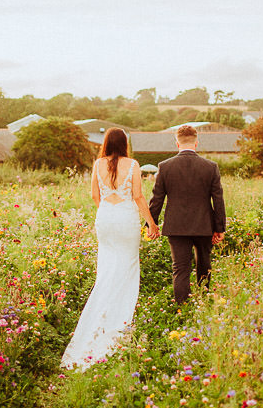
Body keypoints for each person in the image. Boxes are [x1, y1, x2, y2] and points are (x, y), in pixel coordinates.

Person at [61, 128, 159, 371]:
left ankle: (100, 311)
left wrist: (107, 210)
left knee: (106, 268)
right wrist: (151, 223)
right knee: (126, 265)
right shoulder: (134, 164)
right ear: (125, 143)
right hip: (126, 218)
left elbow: (96, 196)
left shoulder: (97, 165)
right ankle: (117, 315)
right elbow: (138, 196)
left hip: (105, 218)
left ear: (106, 143)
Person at [148, 125, 226, 304]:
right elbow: (218, 200)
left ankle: (183, 309)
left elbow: (157, 199)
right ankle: (204, 304)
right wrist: (219, 228)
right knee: (204, 267)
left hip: (176, 227)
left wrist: (151, 225)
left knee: (181, 270)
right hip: (204, 225)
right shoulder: (211, 167)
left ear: (177, 144)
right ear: (196, 143)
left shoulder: (164, 167)